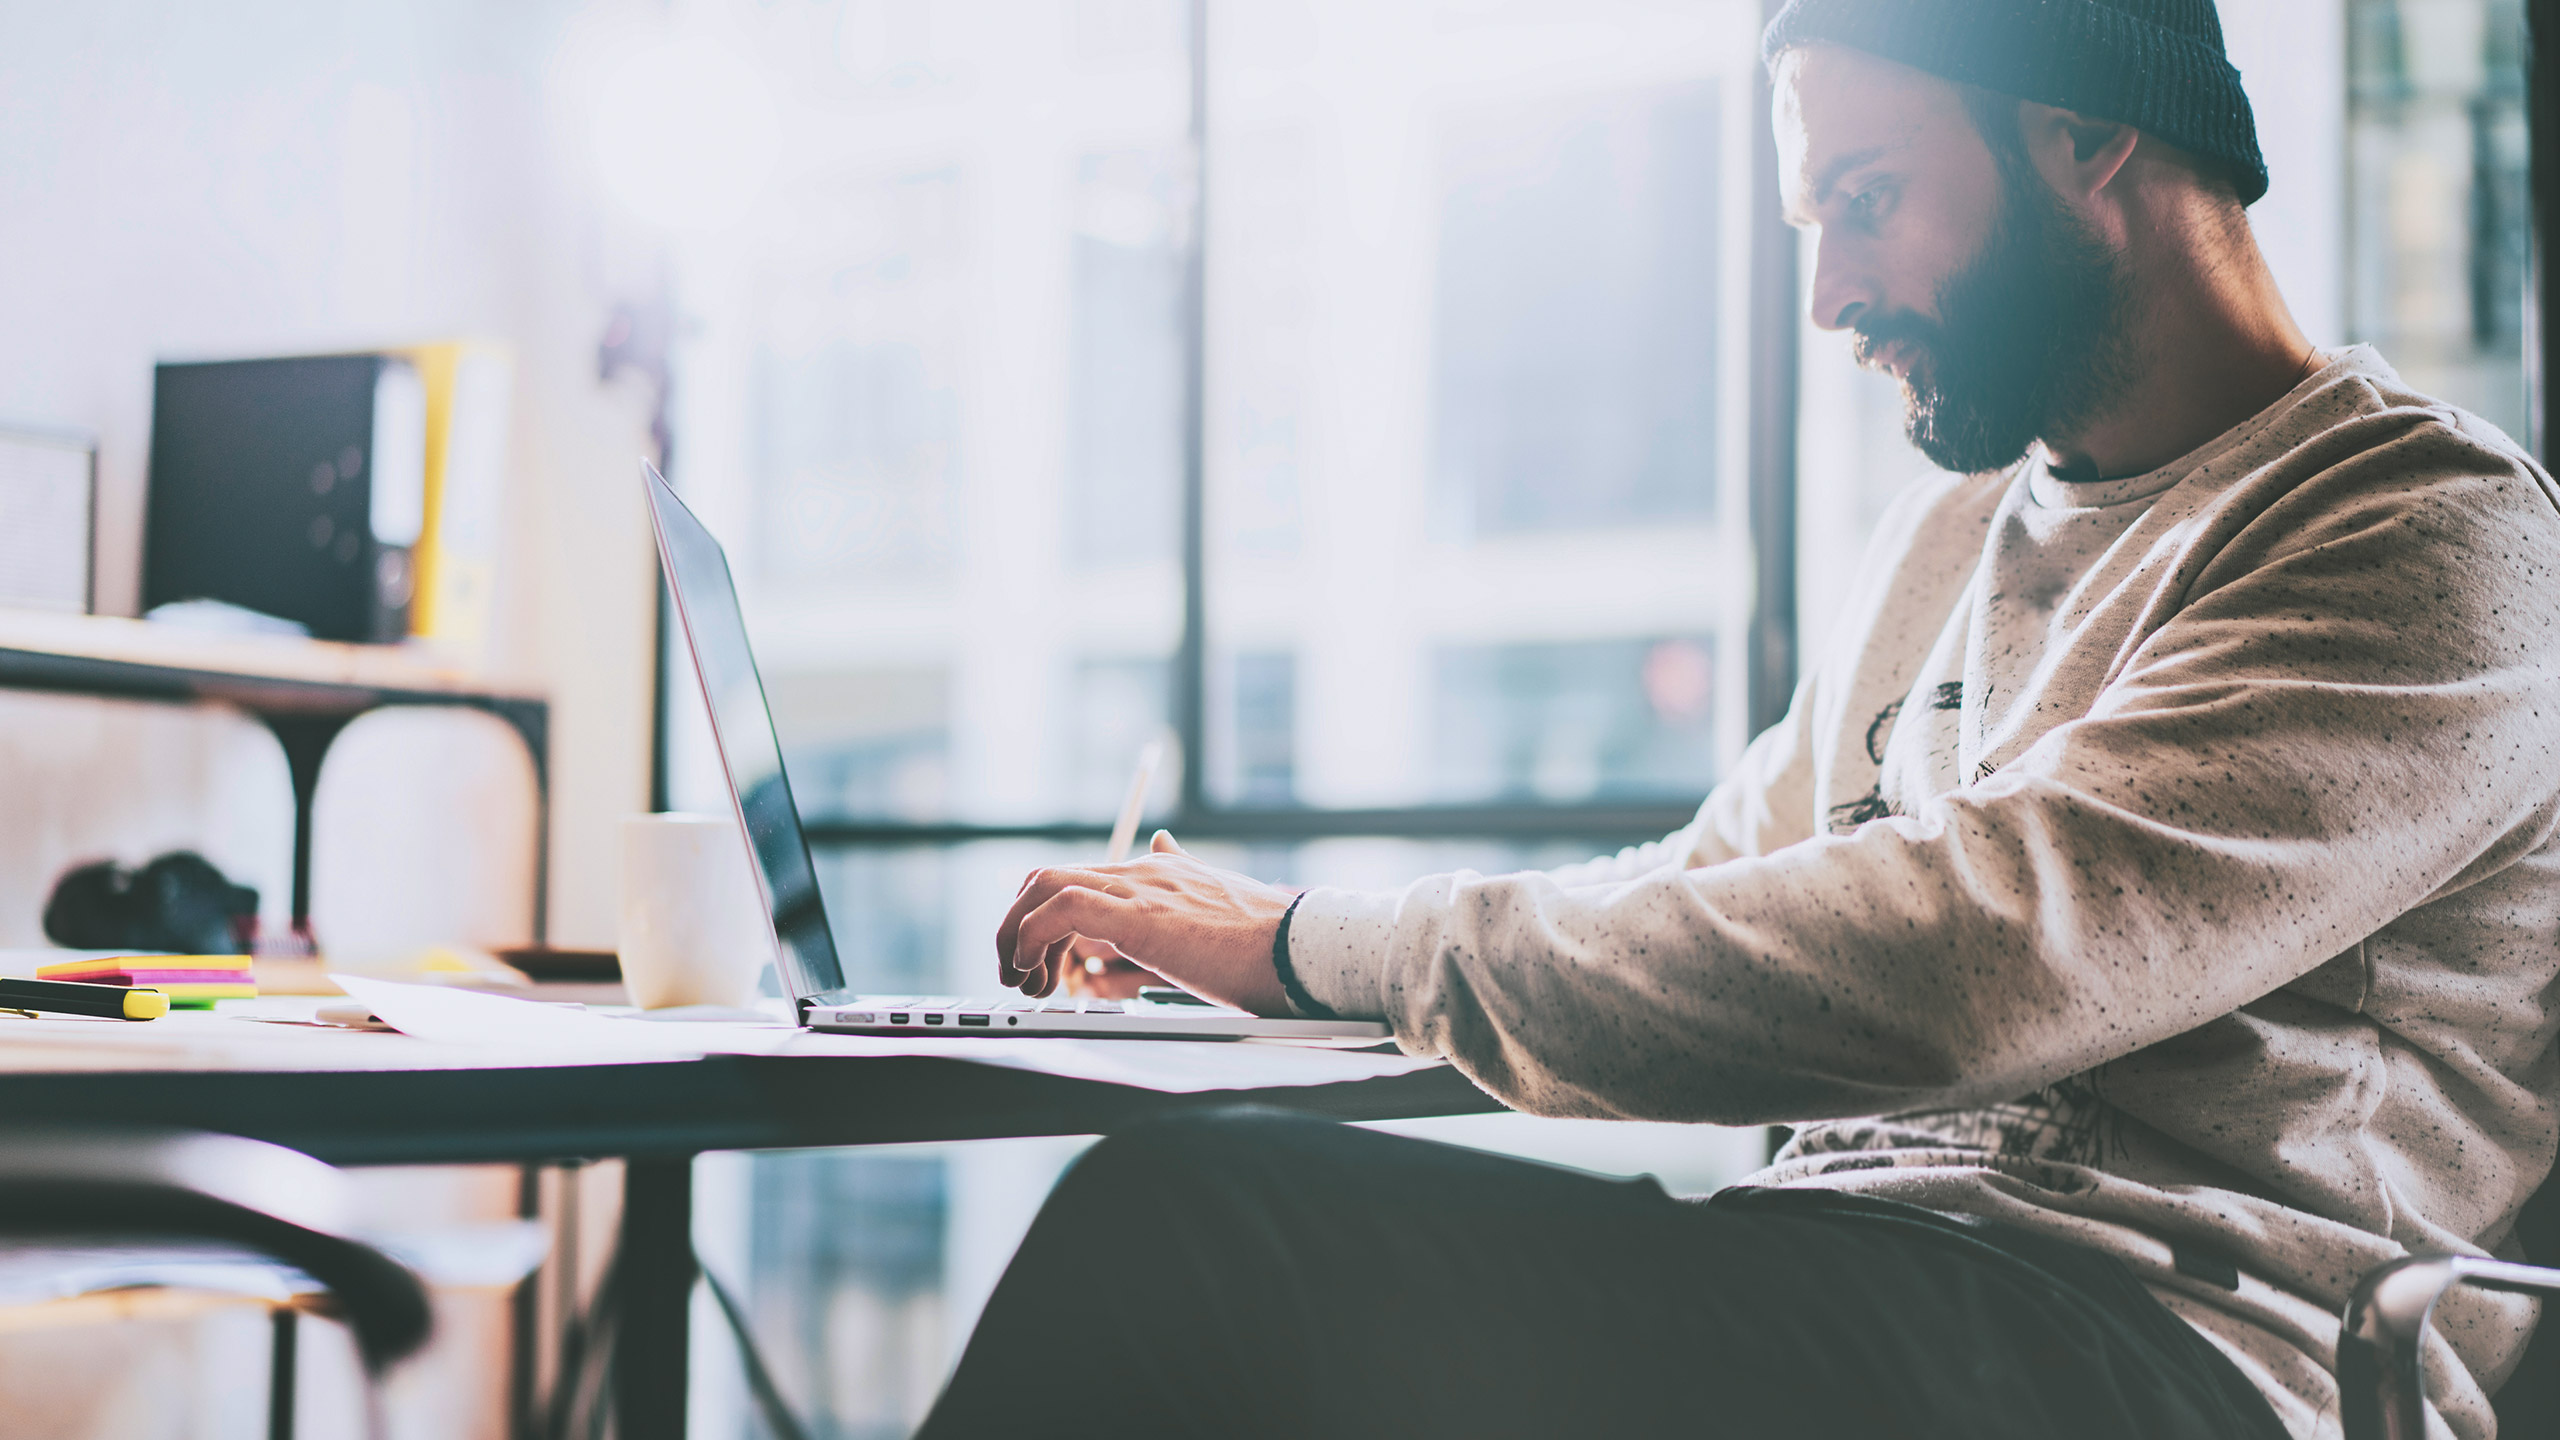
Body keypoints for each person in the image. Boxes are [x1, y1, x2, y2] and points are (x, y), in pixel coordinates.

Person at [921, 1, 2560, 1436]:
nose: (1834, 291)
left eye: (1869, 202)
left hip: (2177, 1365)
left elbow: (1980, 949)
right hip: (1854, 1278)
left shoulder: (2428, 533)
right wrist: (1250, 957)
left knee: (1201, 1242)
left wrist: (1310, 943)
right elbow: (1711, 883)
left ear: (2085, 131)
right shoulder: (1950, 540)